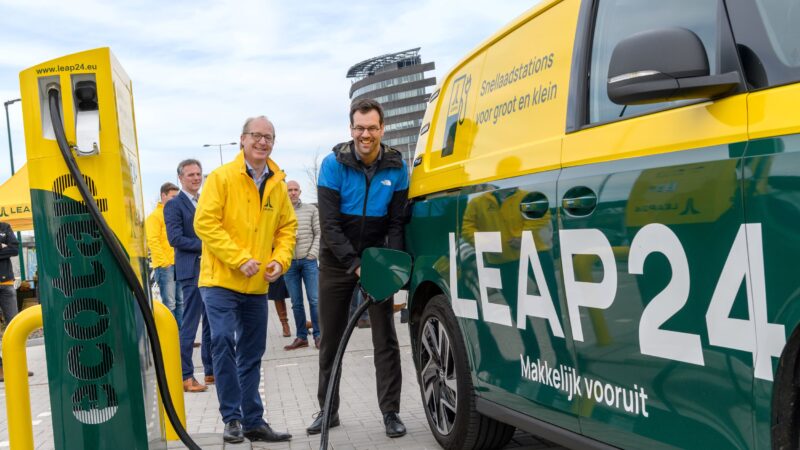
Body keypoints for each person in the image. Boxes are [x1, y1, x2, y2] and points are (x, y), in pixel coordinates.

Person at [308, 99, 409, 437]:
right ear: (351, 129)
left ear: (382, 128)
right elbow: (330, 224)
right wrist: (354, 265)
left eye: (372, 128)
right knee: (331, 340)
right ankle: (328, 411)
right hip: (338, 261)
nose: (366, 134)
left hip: (376, 258)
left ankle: (391, 412)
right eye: (359, 128)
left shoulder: (396, 166)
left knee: (386, 339)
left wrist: (390, 265)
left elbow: (396, 222)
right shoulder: (333, 164)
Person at [194, 115, 297, 444]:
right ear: (242, 139)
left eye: (269, 137)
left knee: (252, 352)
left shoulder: (277, 185)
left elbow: (286, 229)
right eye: (257, 135)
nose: (263, 142)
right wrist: (239, 259)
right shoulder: (222, 178)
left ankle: (254, 421)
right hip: (220, 281)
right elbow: (205, 223)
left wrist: (280, 261)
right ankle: (232, 418)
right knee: (223, 341)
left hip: (256, 285)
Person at [164, 159, 213, 393]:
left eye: (198, 174)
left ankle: (211, 370)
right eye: (191, 174)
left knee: (211, 323)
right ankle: (185, 375)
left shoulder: (205, 201)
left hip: (210, 271)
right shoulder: (174, 205)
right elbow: (175, 239)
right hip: (191, 270)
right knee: (190, 325)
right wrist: (206, 245)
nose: (195, 178)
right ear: (180, 178)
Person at [283, 180, 321, 350]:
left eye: (295, 190)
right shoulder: (280, 212)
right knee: (296, 303)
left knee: (314, 299)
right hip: (289, 263)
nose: (292, 192)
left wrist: (313, 254)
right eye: (289, 190)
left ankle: (319, 335)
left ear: (300, 191)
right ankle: (301, 337)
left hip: (308, 261)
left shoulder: (311, 210)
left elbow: (320, 232)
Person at [146, 182, 183, 326]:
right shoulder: (155, 217)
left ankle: (182, 339)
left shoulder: (174, 214)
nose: (176, 200)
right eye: (173, 196)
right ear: (163, 196)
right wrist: (165, 262)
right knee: (170, 304)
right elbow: (152, 241)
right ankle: (173, 338)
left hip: (178, 264)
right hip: (165, 267)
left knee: (181, 302)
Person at [0, 221, 20, 381]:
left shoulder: (4, 227)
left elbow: (14, 249)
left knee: (15, 326)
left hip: (6, 284)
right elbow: (9, 250)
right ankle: (1, 369)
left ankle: (18, 366)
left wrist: (7, 248)